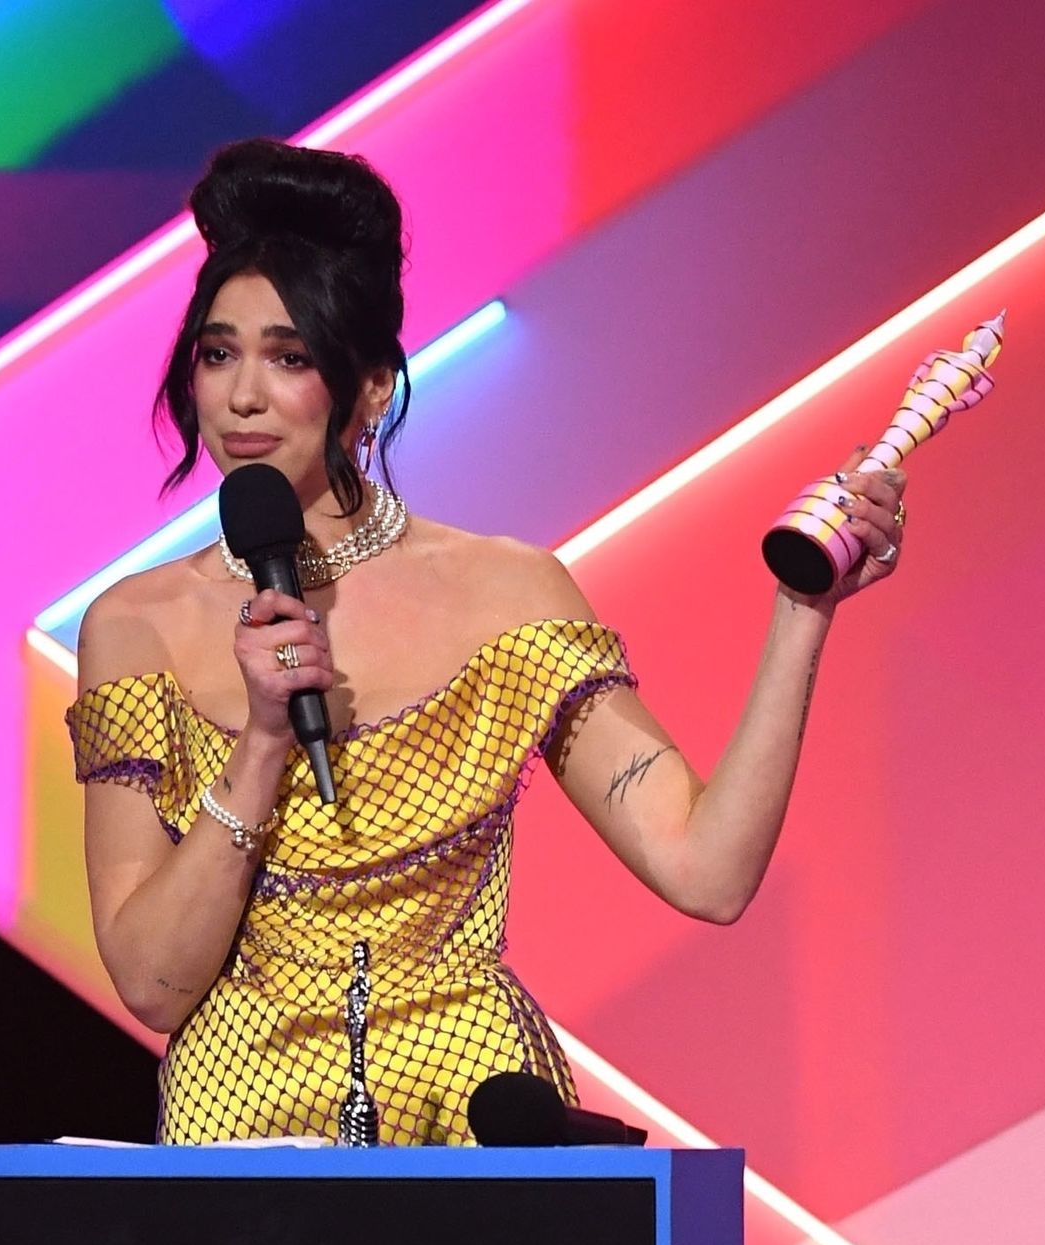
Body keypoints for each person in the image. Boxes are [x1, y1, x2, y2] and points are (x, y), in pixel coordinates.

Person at [65, 138, 908, 1147]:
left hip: (478, 1119)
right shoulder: (137, 627)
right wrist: (260, 744)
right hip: (242, 1133)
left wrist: (803, 608)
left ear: (370, 388)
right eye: (217, 354)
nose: (242, 395)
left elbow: (707, 871)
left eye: (288, 358)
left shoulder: (504, 594)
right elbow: (152, 985)